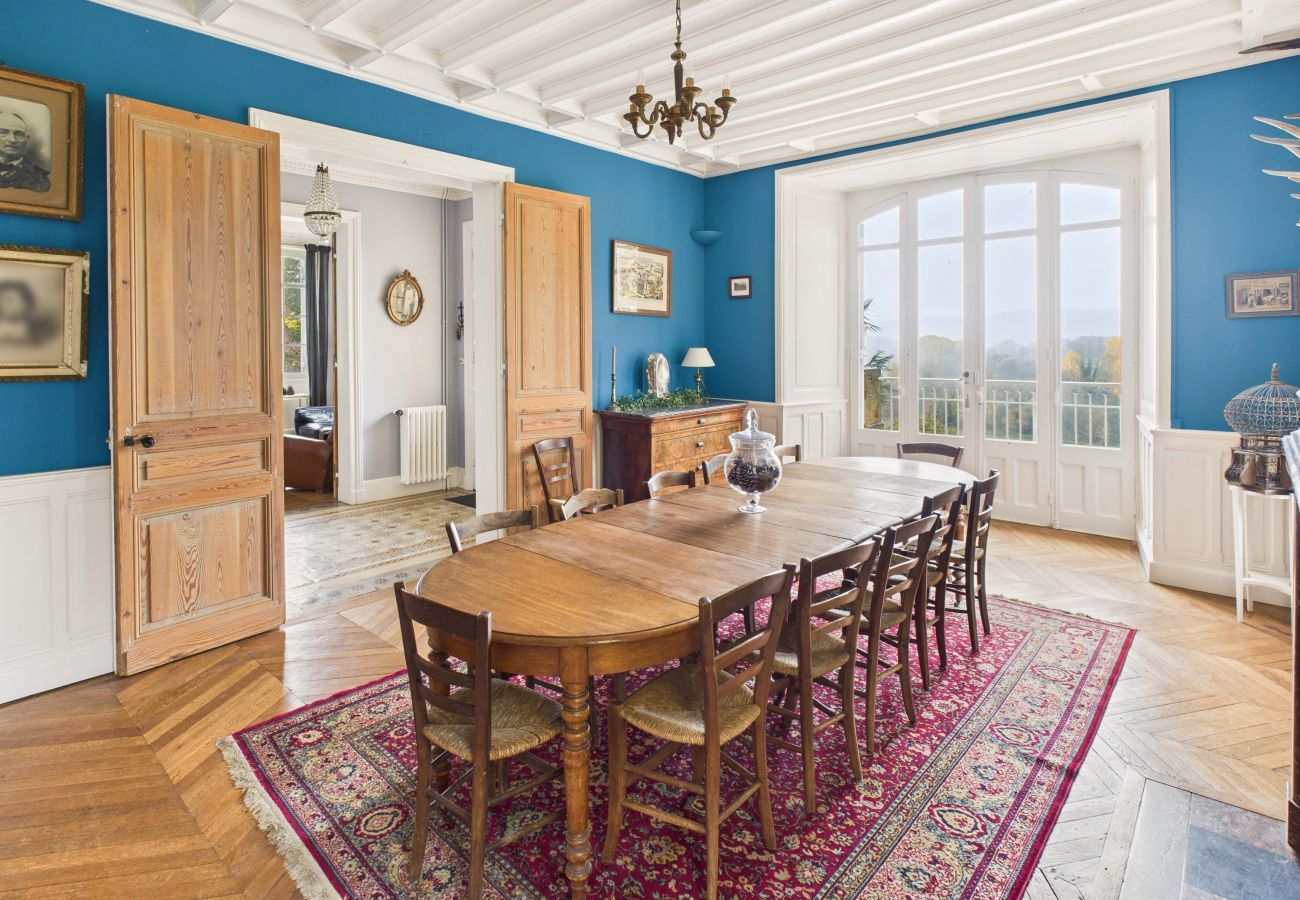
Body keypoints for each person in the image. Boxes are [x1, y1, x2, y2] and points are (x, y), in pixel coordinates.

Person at [0, 110, 50, 193]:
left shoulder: (42, 178)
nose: (12, 140)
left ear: (27, 140)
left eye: (19, 134)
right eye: (3, 132)